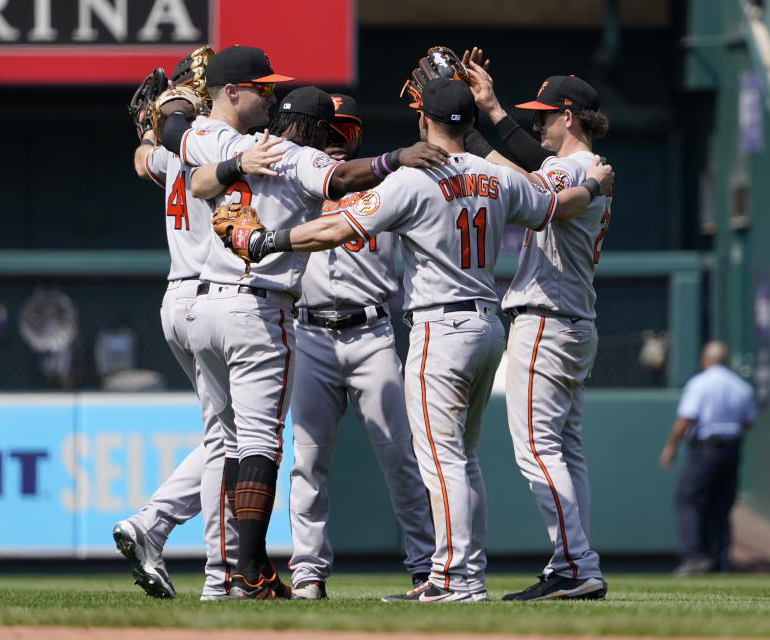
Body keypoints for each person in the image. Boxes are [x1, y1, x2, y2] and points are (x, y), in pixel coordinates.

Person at [229, 78, 614, 603]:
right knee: (465, 456)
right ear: (471, 124)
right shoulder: (497, 177)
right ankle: (464, 574)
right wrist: (592, 186)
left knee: (442, 459)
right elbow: (555, 205)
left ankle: (454, 579)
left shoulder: (414, 178)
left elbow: (333, 231)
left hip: (440, 326)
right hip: (488, 326)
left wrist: (265, 240)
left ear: (423, 123)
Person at [174, 56, 450, 599]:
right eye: (329, 129)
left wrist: (197, 136)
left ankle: (230, 573)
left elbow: (185, 153)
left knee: (231, 443)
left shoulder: (228, 142)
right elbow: (344, 176)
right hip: (277, 315)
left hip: (221, 306)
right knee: (272, 449)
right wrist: (397, 158)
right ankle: (268, 572)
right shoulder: (300, 157)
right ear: (312, 128)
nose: (334, 139)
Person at [116, 57, 281, 601]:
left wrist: (148, 130)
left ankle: (158, 527)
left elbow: (146, 160)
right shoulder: (213, 139)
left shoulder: (176, 147)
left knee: (225, 439)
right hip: (215, 290)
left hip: (179, 296)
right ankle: (222, 572)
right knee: (229, 443)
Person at [462, 54, 610, 601]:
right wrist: (484, 114)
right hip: (573, 320)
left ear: (569, 116)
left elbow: (521, 175)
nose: (538, 125)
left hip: (546, 320)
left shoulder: (577, 172)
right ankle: (575, 560)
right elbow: (521, 167)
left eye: (546, 116)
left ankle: (574, 564)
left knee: (537, 450)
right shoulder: (585, 169)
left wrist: (473, 124)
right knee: (565, 449)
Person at [287, 94, 435, 600]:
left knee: (402, 460)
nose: (333, 137)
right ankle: (307, 573)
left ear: (355, 134)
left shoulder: (389, 183)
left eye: (342, 128)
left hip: (371, 333)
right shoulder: (293, 180)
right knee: (308, 462)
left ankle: (425, 568)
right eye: (326, 128)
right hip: (309, 333)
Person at [659, 341, 756, 576]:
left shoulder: (700, 384)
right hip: (732, 448)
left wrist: (671, 446)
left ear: (705, 359)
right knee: (722, 505)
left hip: (706, 448)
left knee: (688, 499)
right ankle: (722, 561)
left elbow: (686, 418)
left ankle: (695, 557)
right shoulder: (740, 386)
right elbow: (748, 422)